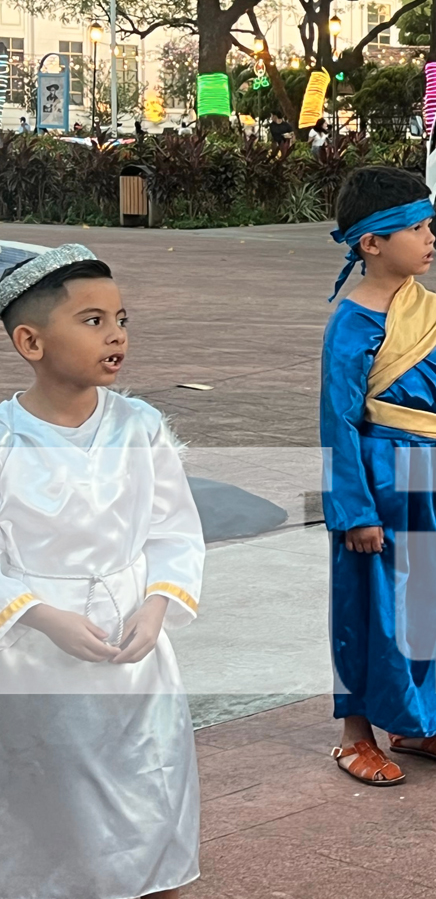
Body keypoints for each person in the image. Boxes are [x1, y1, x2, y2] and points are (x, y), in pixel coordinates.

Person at [0, 245, 205, 899]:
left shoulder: (141, 428)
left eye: (121, 318)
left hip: (133, 654)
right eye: (91, 321)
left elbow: (173, 530)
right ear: (30, 341)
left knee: (149, 794)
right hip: (34, 659)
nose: (116, 334)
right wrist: (38, 612)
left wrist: (156, 605)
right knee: (50, 807)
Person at [321, 166, 436, 785]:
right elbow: (338, 421)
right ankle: (354, 734)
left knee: (435, 600)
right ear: (372, 243)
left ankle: (418, 721)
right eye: (415, 229)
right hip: (380, 479)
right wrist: (355, 511)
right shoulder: (353, 321)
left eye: (426, 225)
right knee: (370, 606)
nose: (429, 239)